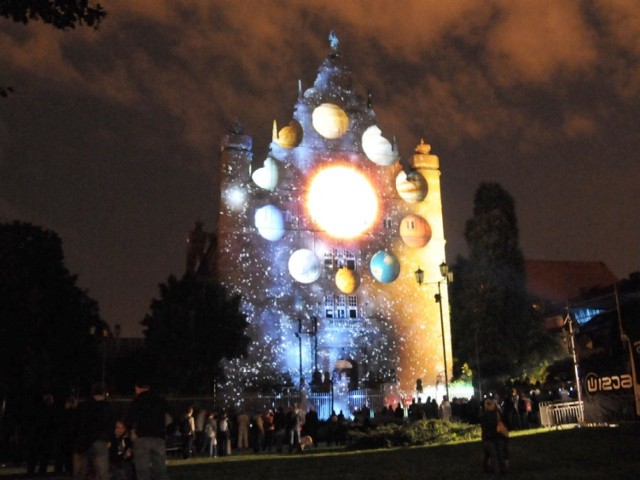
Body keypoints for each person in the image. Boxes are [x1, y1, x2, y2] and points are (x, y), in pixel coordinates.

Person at [127, 380, 170, 480]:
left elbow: (129, 420)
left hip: (142, 438)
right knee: (160, 471)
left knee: (142, 471)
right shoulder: (160, 400)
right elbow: (170, 417)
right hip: (158, 437)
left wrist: (132, 433)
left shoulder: (137, 401)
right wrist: (166, 431)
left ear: (138, 388)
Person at [73, 384, 115, 480]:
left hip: (83, 439)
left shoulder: (83, 405)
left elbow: (76, 423)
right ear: (103, 393)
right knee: (102, 470)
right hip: (101, 440)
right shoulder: (108, 406)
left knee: (80, 470)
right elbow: (111, 424)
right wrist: (109, 438)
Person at [481, 398, 507, 475]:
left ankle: (496, 470)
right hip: (498, 436)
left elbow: (484, 426)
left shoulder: (484, 414)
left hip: (488, 437)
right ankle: (502, 469)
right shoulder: (497, 413)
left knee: (491, 454)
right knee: (498, 453)